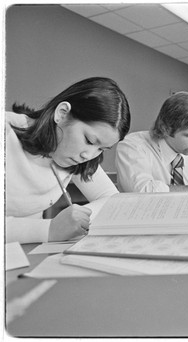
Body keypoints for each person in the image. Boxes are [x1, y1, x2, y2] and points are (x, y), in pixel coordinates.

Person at [5, 77, 131, 244]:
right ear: (62, 113)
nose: (89, 155)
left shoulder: (76, 155)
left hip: (26, 252)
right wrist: (50, 229)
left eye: (101, 149)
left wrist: (78, 218)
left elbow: (110, 198)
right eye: (90, 141)